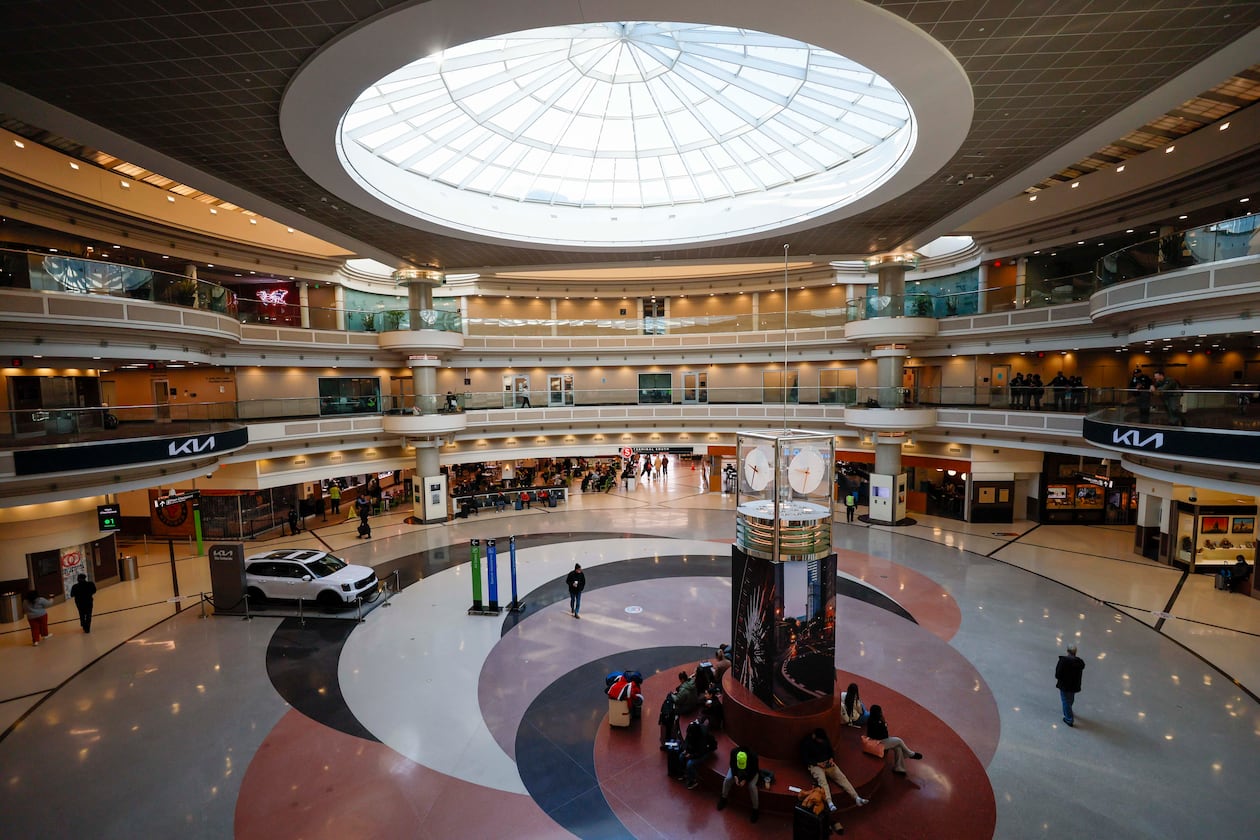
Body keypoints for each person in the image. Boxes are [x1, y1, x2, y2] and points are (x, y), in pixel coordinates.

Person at [800, 728, 868, 812]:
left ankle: (856, 797)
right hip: (815, 765)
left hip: (827, 762)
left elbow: (830, 750)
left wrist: (831, 759)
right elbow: (805, 758)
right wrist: (817, 764)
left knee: (841, 777)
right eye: (820, 740)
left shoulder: (825, 740)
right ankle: (829, 802)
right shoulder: (807, 743)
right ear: (814, 737)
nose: (821, 742)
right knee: (823, 781)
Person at [866, 705, 923, 775]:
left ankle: (899, 768)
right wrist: (884, 726)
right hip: (877, 744)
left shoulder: (872, 719)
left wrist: (883, 725)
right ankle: (910, 753)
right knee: (898, 740)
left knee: (898, 748)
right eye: (880, 711)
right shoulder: (876, 723)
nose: (881, 712)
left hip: (879, 741)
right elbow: (884, 735)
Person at [716, 745, 761, 823]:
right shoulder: (733, 752)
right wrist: (735, 776)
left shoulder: (754, 757)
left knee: (752, 787)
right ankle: (723, 798)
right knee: (728, 779)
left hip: (750, 773)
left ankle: (755, 809)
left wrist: (746, 780)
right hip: (737, 770)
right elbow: (732, 765)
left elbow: (754, 771)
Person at [681, 718, 717, 790]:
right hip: (696, 749)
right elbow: (687, 741)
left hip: (706, 751)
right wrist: (685, 749)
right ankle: (686, 774)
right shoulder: (691, 731)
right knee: (681, 756)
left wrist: (691, 755)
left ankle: (693, 781)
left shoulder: (703, 737)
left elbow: (701, 752)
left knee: (690, 764)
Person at [1055, 642, 1085, 727]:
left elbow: (1058, 674)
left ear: (1067, 651)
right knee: (1070, 699)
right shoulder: (1079, 662)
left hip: (1065, 685)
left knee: (1065, 701)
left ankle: (1069, 719)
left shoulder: (1063, 661)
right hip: (1074, 686)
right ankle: (1069, 710)